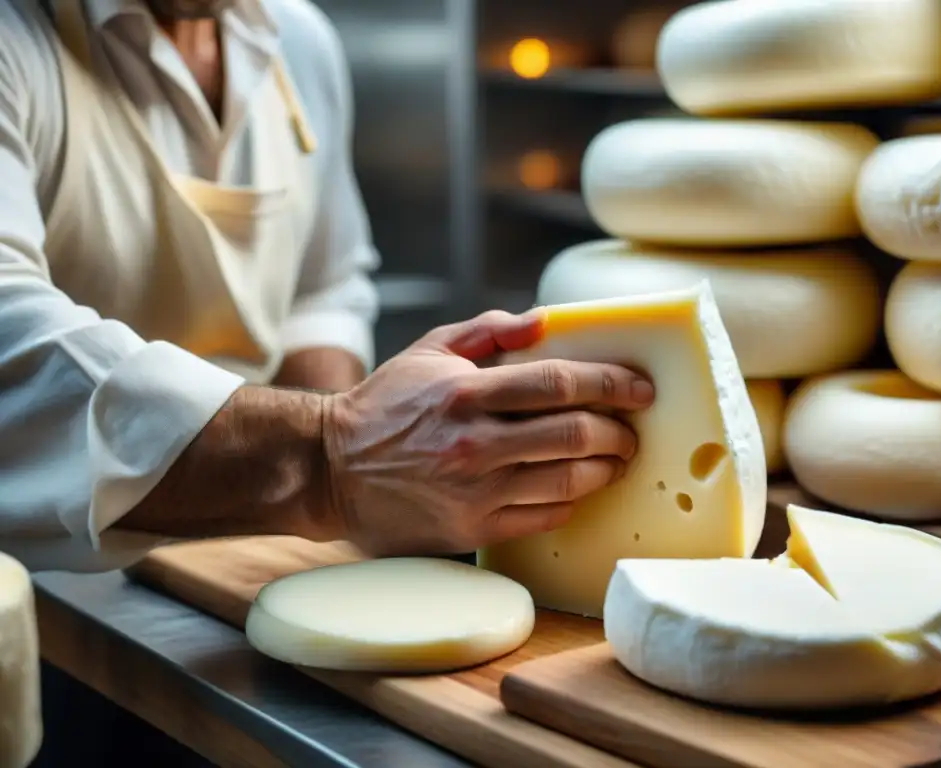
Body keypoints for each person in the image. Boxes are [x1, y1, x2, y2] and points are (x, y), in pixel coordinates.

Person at [0, 0, 653, 573]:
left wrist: (373, 464)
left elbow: (321, 291)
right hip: (49, 576)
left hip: (260, 543)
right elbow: (15, 353)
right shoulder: (17, 37)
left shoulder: (299, 39)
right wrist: (329, 459)